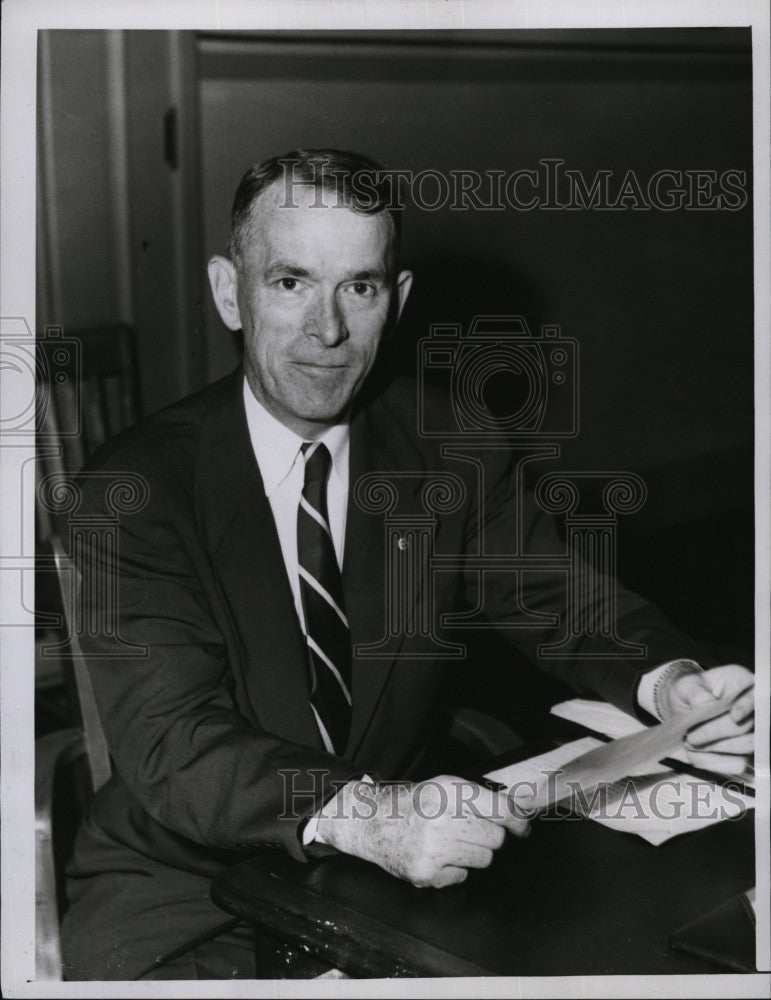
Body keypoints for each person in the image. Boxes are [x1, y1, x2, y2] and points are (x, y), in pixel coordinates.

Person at [60, 149, 755, 980]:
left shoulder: (453, 447)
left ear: (397, 299)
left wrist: (671, 684)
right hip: (186, 891)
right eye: (290, 283)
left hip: (388, 884)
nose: (327, 330)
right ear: (227, 292)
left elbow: (559, 601)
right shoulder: (135, 488)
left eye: (359, 286)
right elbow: (175, 743)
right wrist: (372, 816)